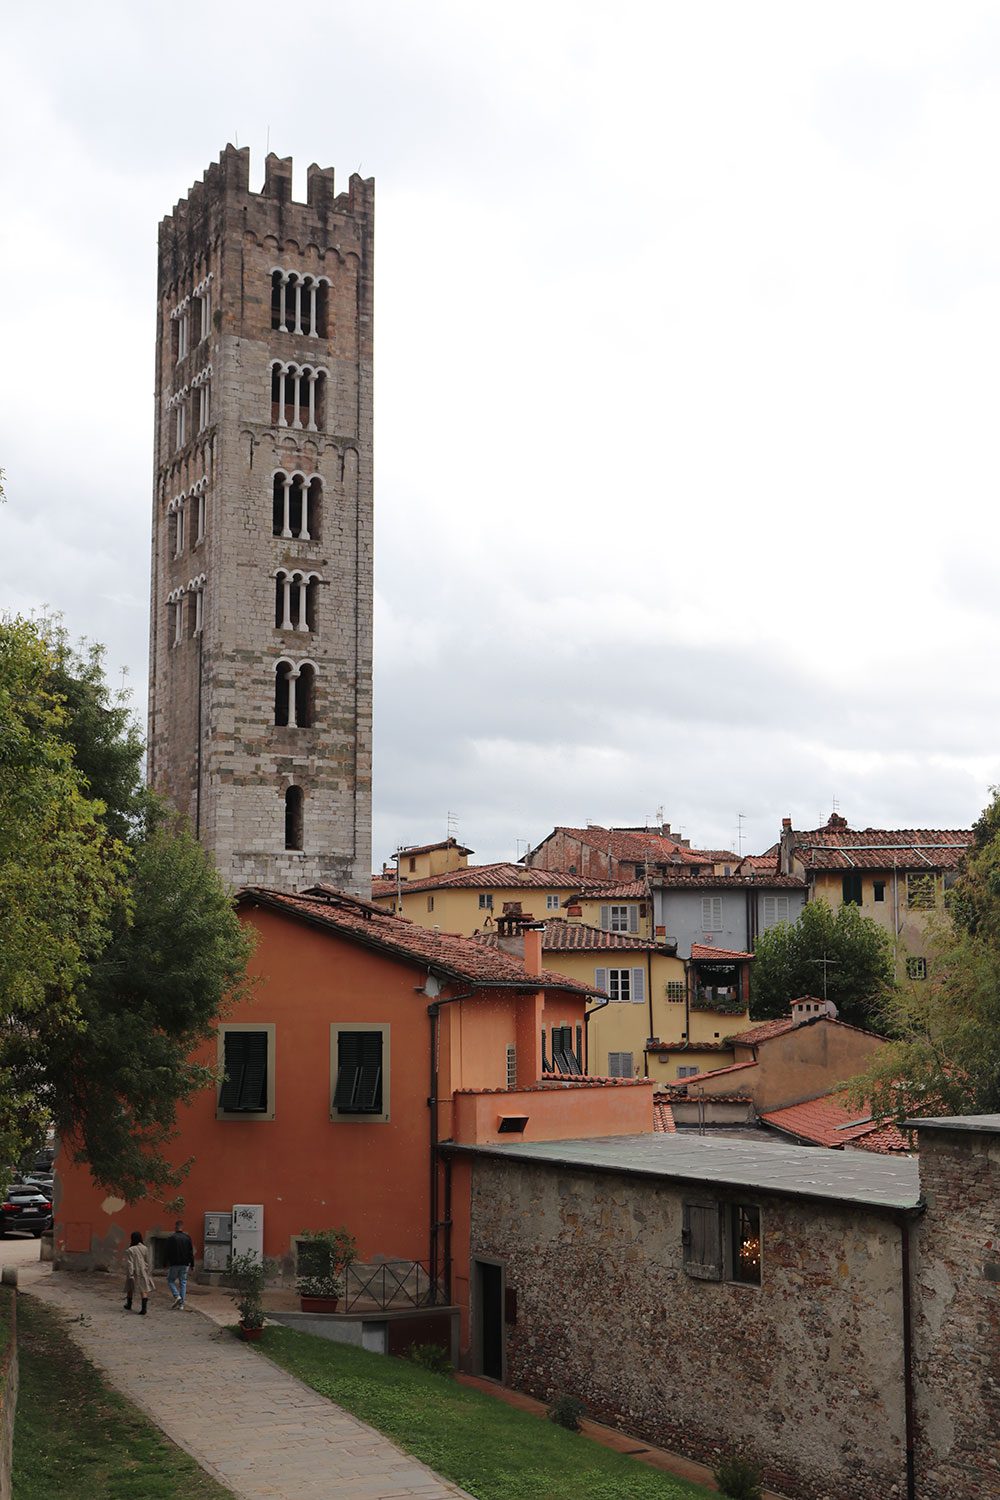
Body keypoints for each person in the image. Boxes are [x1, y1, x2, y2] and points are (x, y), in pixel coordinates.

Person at [164, 1219, 196, 1309]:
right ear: (182, 1227)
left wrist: (165, 1263)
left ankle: (176, 1295)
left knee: (170, 1280)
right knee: (183, 1282)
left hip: (174, 1263)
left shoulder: (171, 1238)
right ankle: (182, 1304)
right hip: (185, 1263)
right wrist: (192, 1264)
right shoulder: (187, 1238)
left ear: (175, 1227)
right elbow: (190, 1252)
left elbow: (167, 1251)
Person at [123, 1230, 155, 1314]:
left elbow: (130, 1263)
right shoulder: (145, 1248)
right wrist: (147, 1269)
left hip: (134, 1271)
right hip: (143, 1270)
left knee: (130, 1287)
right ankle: (144, 1308)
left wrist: (130, 1274)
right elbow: (148, 1260)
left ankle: (129, 1304)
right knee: (143, 1288)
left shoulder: (130, 1249)